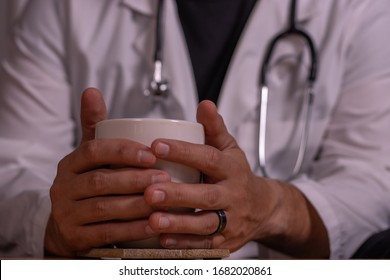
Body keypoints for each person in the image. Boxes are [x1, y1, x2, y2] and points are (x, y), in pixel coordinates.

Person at [1, 0, 390, 259]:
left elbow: (372, 186)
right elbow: (11, 166)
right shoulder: (60, 7)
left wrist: (272, 208)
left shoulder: (360, 9)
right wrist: (53, 224)